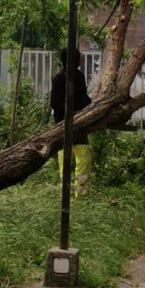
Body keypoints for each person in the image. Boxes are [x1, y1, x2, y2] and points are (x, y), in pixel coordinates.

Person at [49, 48, 92, 197]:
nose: (80, 61)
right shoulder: (59, 78)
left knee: (84, 158)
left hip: (80, 123)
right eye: (78, 58)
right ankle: (66, 192)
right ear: (71, 60)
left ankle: (80, 193)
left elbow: (83, 97)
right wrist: (70, 111)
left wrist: (91, 104)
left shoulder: (79, 76)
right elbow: (54, 102)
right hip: (62, 124)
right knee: (65, 161)